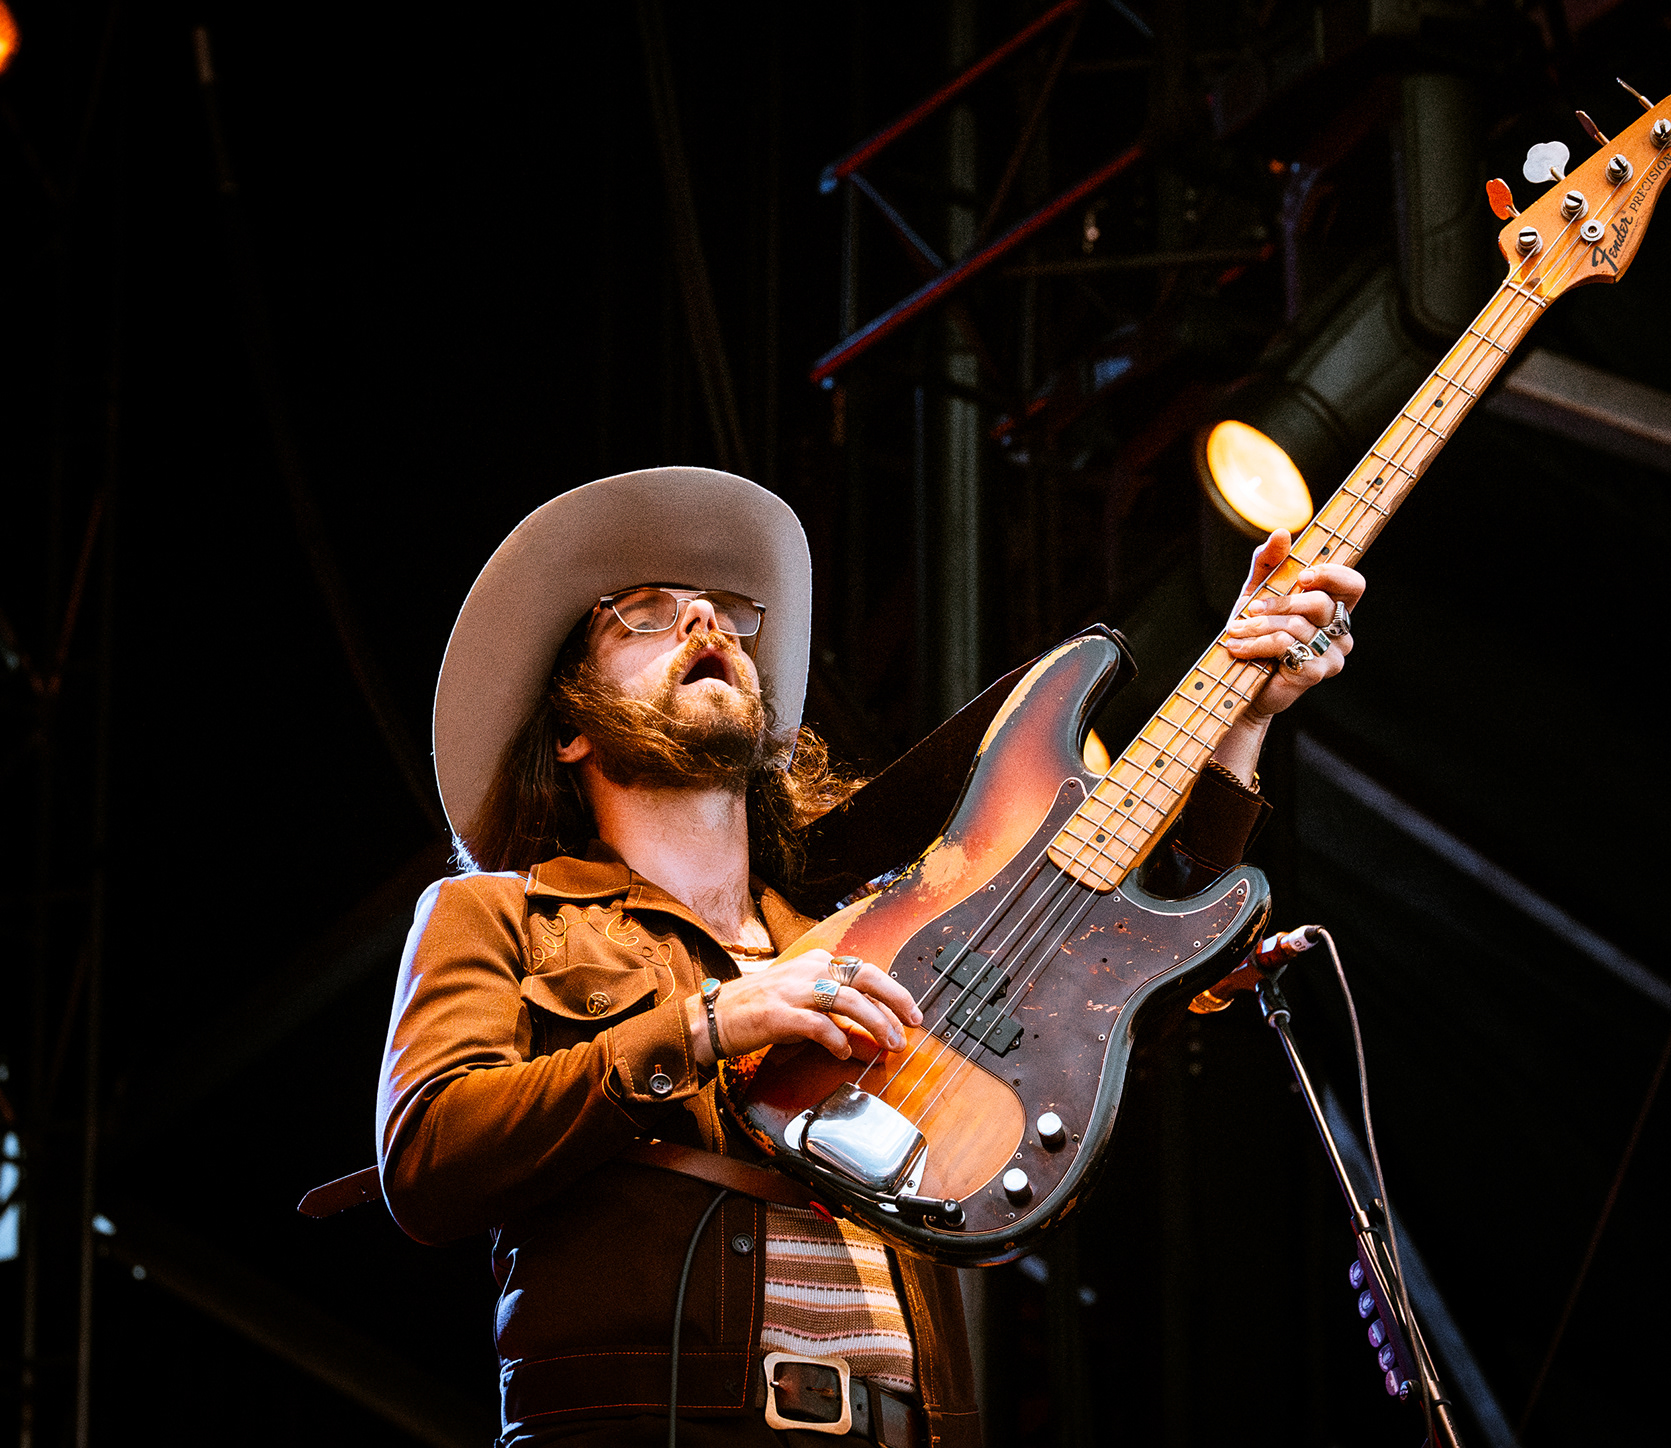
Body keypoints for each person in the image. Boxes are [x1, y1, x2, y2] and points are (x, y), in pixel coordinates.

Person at [377, 467, 1363, 1448]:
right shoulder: (496, 914)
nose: (706, 620)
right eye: (643, 614)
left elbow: (1110, 995)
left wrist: (1244, 716)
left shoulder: (867, 925)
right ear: (571, 730)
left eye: (723, 609)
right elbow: (425, 1159)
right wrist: (709, 1024)